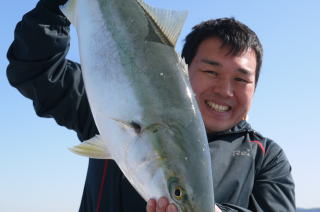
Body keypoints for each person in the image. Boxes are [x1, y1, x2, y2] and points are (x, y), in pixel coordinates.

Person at [6, 0, 295, 211]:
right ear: (182, 70)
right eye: (211, 71)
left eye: (242, 79)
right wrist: (54, 7)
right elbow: (34, 70)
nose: (225, 90)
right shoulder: (107, 111)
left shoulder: (265, 157)